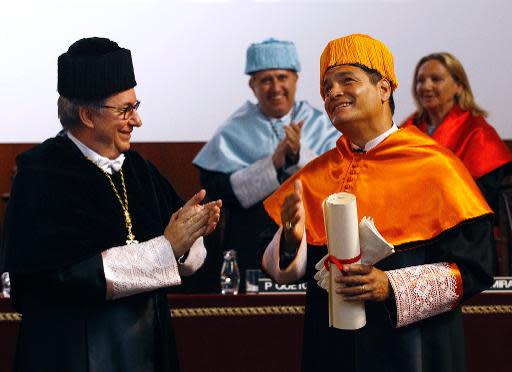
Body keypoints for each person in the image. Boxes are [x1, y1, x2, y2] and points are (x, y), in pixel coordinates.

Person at [261, 34, 495, 372]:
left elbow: (474, 270)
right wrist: (292, 240)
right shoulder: (314, 176)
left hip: (416, 348)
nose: (333, 93)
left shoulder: (436, 167)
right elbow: (285, 270)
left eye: (346, 80)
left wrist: (391, 286)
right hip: (333, 349)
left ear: (384, 89)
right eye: (327, 87)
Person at [0, 37, 221, 372]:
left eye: (136, 106)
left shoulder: (140, 171)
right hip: (76, 355)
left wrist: (190, 234)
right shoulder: (41, 174)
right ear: (88, 115)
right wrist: (165, 248)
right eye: (125, 110)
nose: (137, 120)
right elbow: (51, 280)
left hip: (149, 353)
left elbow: (181, 257)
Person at [193, 38, 339, 291]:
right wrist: (273, 162)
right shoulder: (233, 130)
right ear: (252, 85)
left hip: (313, 246)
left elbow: (339, 181)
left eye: (282, 77)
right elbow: (216, 189)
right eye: (265, 79)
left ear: (295, 79)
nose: (275, 87)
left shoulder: (322, 124)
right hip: (250, 248)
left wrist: (298, 155)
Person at [402, 52, 512, 211]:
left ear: (458, 86)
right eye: (420, 80)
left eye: (436, 79)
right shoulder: (407, 129)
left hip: (462, 222)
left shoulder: (478, 132)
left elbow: (483, 197)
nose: (425, 86)